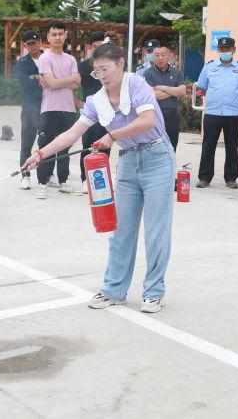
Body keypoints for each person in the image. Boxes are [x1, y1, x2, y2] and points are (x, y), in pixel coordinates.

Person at [23, 42, 175, 313]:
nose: (102, 75)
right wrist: (41, 153)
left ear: (120, 64)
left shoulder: (137, 85)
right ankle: (113, 290)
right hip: (129, 162)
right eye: (96, 71)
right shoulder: (97, 101)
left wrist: (113, 135)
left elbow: (148, 122)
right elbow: (71, 134)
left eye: (106, 69)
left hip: (157, 158)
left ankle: (154, 292)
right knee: (120, 231)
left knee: (155, 231)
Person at [195, 36, 238, 188]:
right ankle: (205, 178)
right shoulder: (209, 67)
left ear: (234, 50)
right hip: (212, 113)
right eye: (222, 49)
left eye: (228, 49)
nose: (225, 51)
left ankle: (231, 178)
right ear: (218, 50)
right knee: (208, 146)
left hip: (232, 114)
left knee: (231, 147)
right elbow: (202, 88)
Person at [35, 20, 81, 199]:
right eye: (54, 34)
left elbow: (76, 84)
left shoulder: (70, 59)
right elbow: (52, 84)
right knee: (45, 146)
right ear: (48, 37)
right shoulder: (45, 58)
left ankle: (63, 180)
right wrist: (68, 80)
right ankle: (42, 183)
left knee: (65, 148)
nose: (57, 37)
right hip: (50, 109)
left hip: (68, 110)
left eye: (60, 34)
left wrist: (58, 82)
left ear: (65, 36)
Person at [77, 31, 111, 194]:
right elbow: (73, 85)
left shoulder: (110, 65)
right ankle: (85, 178)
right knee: (88, 145)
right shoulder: (83, 66)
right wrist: (78, 102)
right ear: (91, 47)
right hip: (90, 111)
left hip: (108, 111)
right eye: (96, 46)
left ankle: (102, 178)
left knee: (105, 144)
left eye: (102, 46)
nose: (99, 49)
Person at [142, 43, 186, 151]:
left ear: (168, 56)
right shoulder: (148, 73)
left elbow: (182, 91)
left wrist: (162, 87)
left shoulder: (176, 72)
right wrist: (173, 91)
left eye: (163, 55)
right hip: (155, 115)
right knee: (154, 147)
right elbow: (152, 95)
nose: (160, 58)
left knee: (172, 146)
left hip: (172, 115)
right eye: (157, 55)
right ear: (153, 56)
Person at [15, 30, 44, 190]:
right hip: (29, 108)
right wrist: (37, 78)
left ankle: (46, 175)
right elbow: (23, 82)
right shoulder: (22, 63)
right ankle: (25, 175)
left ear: (40, 42)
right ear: (25, 46)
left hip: (48, 107)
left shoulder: (48, 57)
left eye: (34, 42)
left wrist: (34, 77)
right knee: (27, 143)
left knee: (46, 143)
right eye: (29, 44)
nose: (32, 46)